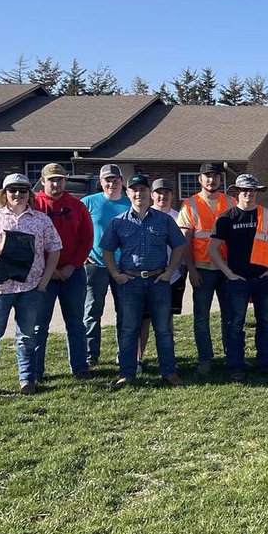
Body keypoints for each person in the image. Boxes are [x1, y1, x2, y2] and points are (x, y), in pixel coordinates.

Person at [0, 173, 62, 400]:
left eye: (23, 190)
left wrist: (44, 281)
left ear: (30, 194)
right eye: (12, 191)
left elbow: (55, 248)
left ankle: (27, 379)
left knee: (27, 337)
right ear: (4, 194)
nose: (18, 195)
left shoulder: (41, 220)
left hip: (30, 289)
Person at [100, 174, 186, 389]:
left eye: (143, 190)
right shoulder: (118, 222)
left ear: (149, 193)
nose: (139, 194)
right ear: (128, 194)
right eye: (134, 190)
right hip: (131, 282)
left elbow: (178, 245)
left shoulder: (164, 220)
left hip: (158, 281)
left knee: (163, 329)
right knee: (129, 329)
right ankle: (127, 373)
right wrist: (116, 274)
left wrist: (169, 272)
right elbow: (107, 249)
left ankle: (169, 372)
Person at [209, 173, 268, 381]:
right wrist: (229, 274)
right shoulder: (226, 217)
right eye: (244, 191)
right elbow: (213, 249)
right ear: (237, 192)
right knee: (235, 325)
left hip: (264, 279)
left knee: (266, 323)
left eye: (252, 190)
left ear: (257, 192)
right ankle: (236, 366)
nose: (248, 194)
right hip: (237, 281)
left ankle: (266, 363)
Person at [30, 162, 94, 381]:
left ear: (65, 181)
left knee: (76, 322)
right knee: (39, 325)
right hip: (42, 275)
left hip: (72, 273)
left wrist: (72, 265)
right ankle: (35, 371)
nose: (55, 183)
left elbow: (87, 239)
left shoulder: (77, 206)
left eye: (59, 179)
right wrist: (49, 269)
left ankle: (80, 366)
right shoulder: (33, 205)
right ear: (43, 181)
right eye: (51, 180)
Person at [177, 162, 231, 375]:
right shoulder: (190, 205)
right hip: (202, 269)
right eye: (207, 176)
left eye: (216, 176)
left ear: (220, 179)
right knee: (201, 318)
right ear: (200, 179)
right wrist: (192, 270)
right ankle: (205, 359)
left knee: (231, 316)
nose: (212, 180)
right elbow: (185, 241)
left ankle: (232, 356)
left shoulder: (230, 202)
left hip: (226, 270)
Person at [135, 179, 189, 373]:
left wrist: (181, 274)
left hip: (172, 278)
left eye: (166, 193)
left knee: (166, 322)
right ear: (152, 194)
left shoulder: (179, 217)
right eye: (158, 193)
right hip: (148, 278)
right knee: (144, 320)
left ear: (172, 196)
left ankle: (167, 358)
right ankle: (138, 359)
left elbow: (182, 249)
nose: (162, 197)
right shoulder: (144, 216)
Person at [81, 164, 131, 367]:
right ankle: (90, 355)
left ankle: (124, 354)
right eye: (107, 180)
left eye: (115, 180)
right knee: (92, 312)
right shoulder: (88, 203)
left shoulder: (130, 202)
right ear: (101, 183)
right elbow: (76, 231)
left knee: (125, 313)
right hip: (96, 266)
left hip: (124, 267)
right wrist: (83, 255)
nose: (111, 183)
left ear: (121, 181)